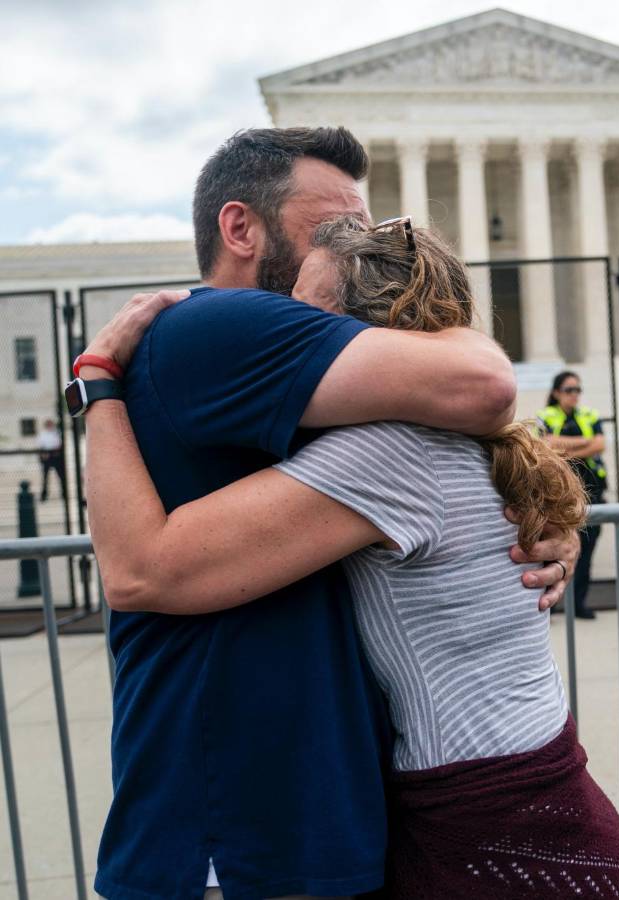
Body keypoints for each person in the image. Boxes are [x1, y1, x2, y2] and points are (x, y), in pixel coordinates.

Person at [76, 127, 578, 900]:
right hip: (243, 832)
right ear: (241, 228)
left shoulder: (350, 405)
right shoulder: (227, 324)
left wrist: (532, 519)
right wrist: (94, 387)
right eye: (327, 230)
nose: (352, 243)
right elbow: (482, 383)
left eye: (363, 232)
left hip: (321, 809)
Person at [539, 372, 607, 619]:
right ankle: (551, 602)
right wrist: (584, 443)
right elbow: (547, 444)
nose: (574, 395)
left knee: (586, 549)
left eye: (577, 389)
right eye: (569, 390)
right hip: (560, 493)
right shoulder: (546, 416)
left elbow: (600, 445)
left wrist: (564, 445)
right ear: (557, 392)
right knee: (558, 547)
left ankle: (579, 602)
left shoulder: (589, 415)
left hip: (592, 489)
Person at [36, 418, 65, 501]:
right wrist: (43, 454)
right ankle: (44, 495)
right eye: (48, 425)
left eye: (51, 424)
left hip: (56, 456)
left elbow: (59, 444)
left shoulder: (56, 433)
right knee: (45, 477)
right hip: (46, 456)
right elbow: (40, 446)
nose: (50, 426)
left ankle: (64, 494)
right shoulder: (42, 434)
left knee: (61, 476)